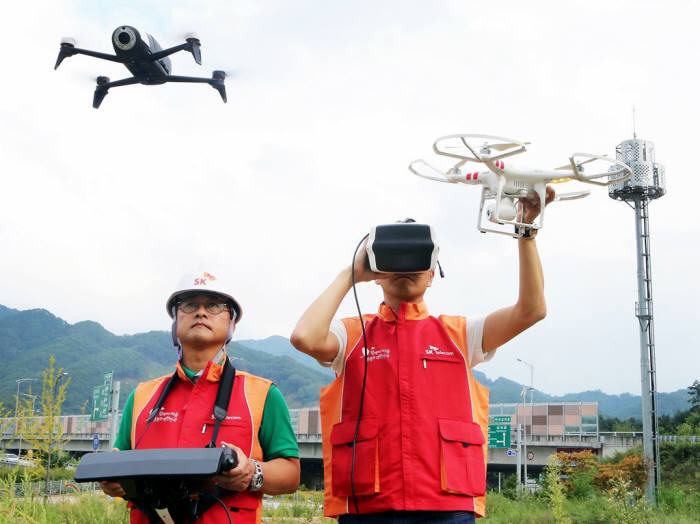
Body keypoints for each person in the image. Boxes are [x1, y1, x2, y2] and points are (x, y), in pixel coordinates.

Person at [290, 189, 554, 523]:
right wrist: (350, 275)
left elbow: (531, 311)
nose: (407, 266)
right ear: (377, 274)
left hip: (447, 507)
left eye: (419, 259)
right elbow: (304, 337)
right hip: (367, 506)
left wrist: (526, 233)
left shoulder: (461, 334)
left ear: (432, 275)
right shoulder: (351, 334)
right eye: (395, 258)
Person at [100, 271, 300, 523]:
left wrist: (252, 471)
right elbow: (120, 464)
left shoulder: (263, 394)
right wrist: (112, 479)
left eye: (214, 305)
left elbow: (291, 474)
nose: (201, 312)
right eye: (190, 304)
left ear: (232, 323)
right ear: (175, 320)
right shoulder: (141, 395)